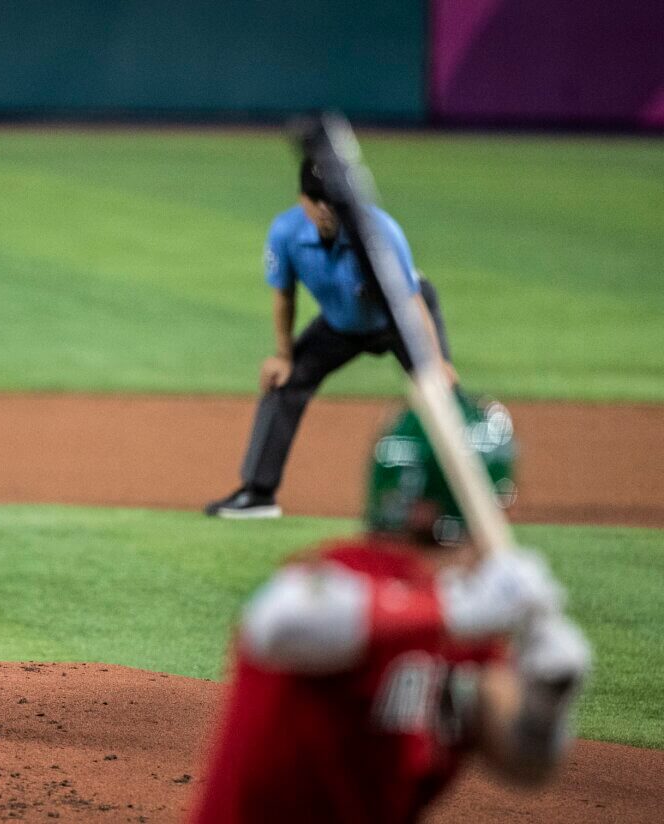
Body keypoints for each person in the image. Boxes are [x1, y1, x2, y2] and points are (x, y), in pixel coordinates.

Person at [190, 396, 591, 823]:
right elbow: (275, 623)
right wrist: (455, 610)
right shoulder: (341, 576)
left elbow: (523, 764)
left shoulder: (464, 621)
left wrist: (550, 697)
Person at [205, 158, 457, 518]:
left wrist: (436, 363)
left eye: (331, 199)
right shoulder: (286, 232)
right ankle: (258, 494)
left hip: (401, 320)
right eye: (315, 199)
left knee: (441, 396)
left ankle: (464, 497)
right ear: (301, 199)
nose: (324, 209)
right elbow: (284, 295)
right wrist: (283, 356)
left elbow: (412, 300)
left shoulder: (378, 232)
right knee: (285, 384)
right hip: (341, 325)